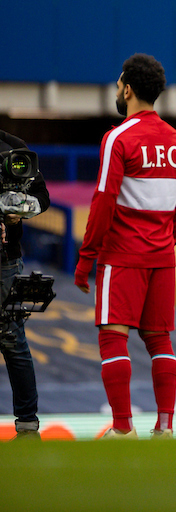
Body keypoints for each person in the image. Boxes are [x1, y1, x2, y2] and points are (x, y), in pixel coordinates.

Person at [74, 54, 176, 439]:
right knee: (159, 338)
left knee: (113, 334)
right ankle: (166, 427)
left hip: (122, 255)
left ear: (127, 89)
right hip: (162, 255)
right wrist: (164, 243)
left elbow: (104, 199)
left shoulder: (118, 138)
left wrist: (85, 257)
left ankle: (123, 428)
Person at [0, 131, 50, 439]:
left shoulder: (13, 147)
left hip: (6, 262)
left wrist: (20, 210)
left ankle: (28, 426)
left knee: (12, 339)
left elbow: (42, 198)